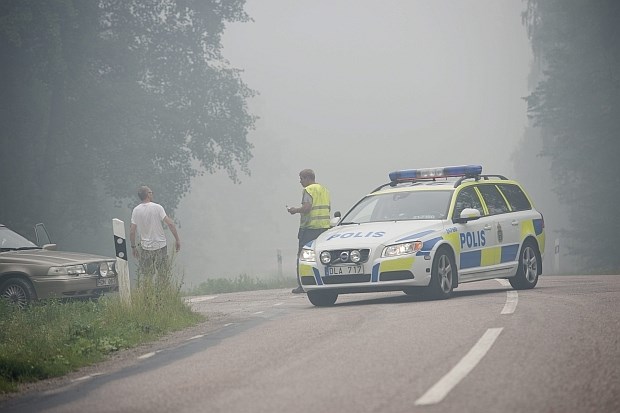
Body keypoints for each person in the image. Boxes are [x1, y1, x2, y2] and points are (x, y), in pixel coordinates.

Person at [287, 169, 331, 294]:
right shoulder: (325, 190)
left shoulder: (308, 190)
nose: (300, 182)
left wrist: (295, 210)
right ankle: (323, 280)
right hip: (324, 228)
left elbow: (307, 208)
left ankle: (302, 284)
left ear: (307, 178)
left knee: (303, 256)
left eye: (301, 178)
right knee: (321, 256)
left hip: (310, 229)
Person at [129, 185, 181, 276]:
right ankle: (163, 289)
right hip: (160, 246)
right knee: (163, 274)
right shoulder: (158, 207)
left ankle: (148, 289)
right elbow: (170, 224)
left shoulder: (136, 210)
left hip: (145, 247)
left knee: (147, 275)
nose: (152, 194)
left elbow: (132, 231)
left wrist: (133, 247)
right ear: (148, 194)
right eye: (151, 192)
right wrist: (177, 240)